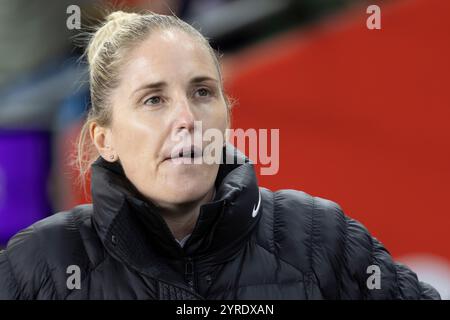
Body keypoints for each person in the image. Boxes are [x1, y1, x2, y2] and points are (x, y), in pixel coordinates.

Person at [0, 11, 440, 300]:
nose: (187, 118)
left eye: (203, 92)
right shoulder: (37, 265)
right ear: (103, 139)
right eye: (154, 100)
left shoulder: (323, 239)